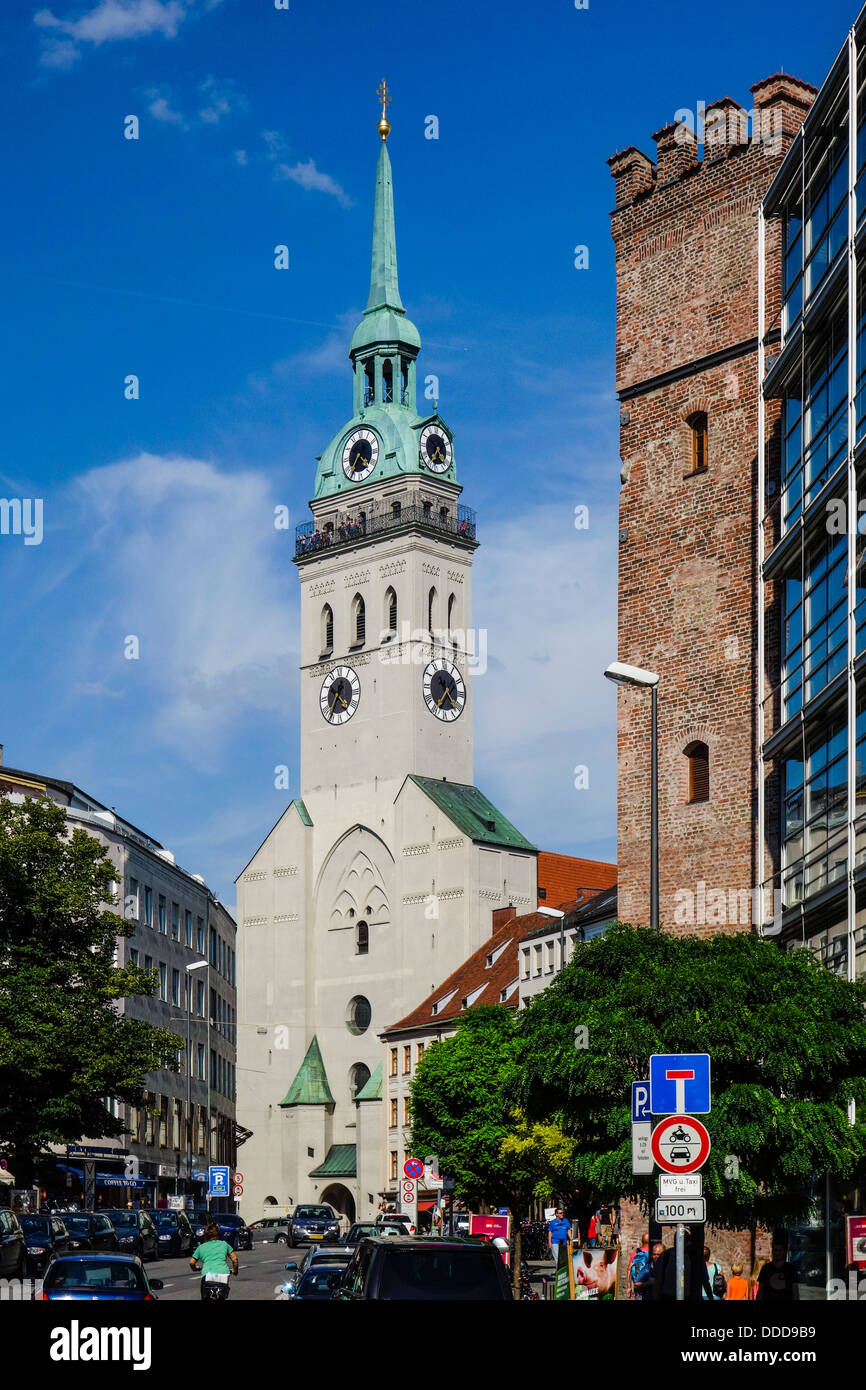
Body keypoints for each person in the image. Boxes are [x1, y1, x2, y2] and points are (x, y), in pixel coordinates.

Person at [654, 1232, 713, 1301]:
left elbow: (705, 1281)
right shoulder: (666, 1256)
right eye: (676, 1240)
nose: (678, 1243)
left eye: (682, 1241)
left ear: (688, 1242)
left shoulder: (696, 1258)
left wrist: (710, 1297)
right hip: (668, 1296)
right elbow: (657, 1280)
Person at [190, 1221, 238, 1300]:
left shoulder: (201, 1247)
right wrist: (235, 1270)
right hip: (223, 1276)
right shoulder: (224, 1244)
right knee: (221, 1296)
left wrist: (195, 1268)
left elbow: (191, 1262)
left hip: (207, 1276)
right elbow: (235, 1259)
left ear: (205, 1235)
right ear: (218, 1234)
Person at [629, 1232, 653, 1301]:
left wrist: (629, 1287)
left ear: (642, 1241)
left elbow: (629, 1269)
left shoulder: (635, 1253)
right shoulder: (653, 1253)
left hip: (638, 1287)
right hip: (649, 1286)